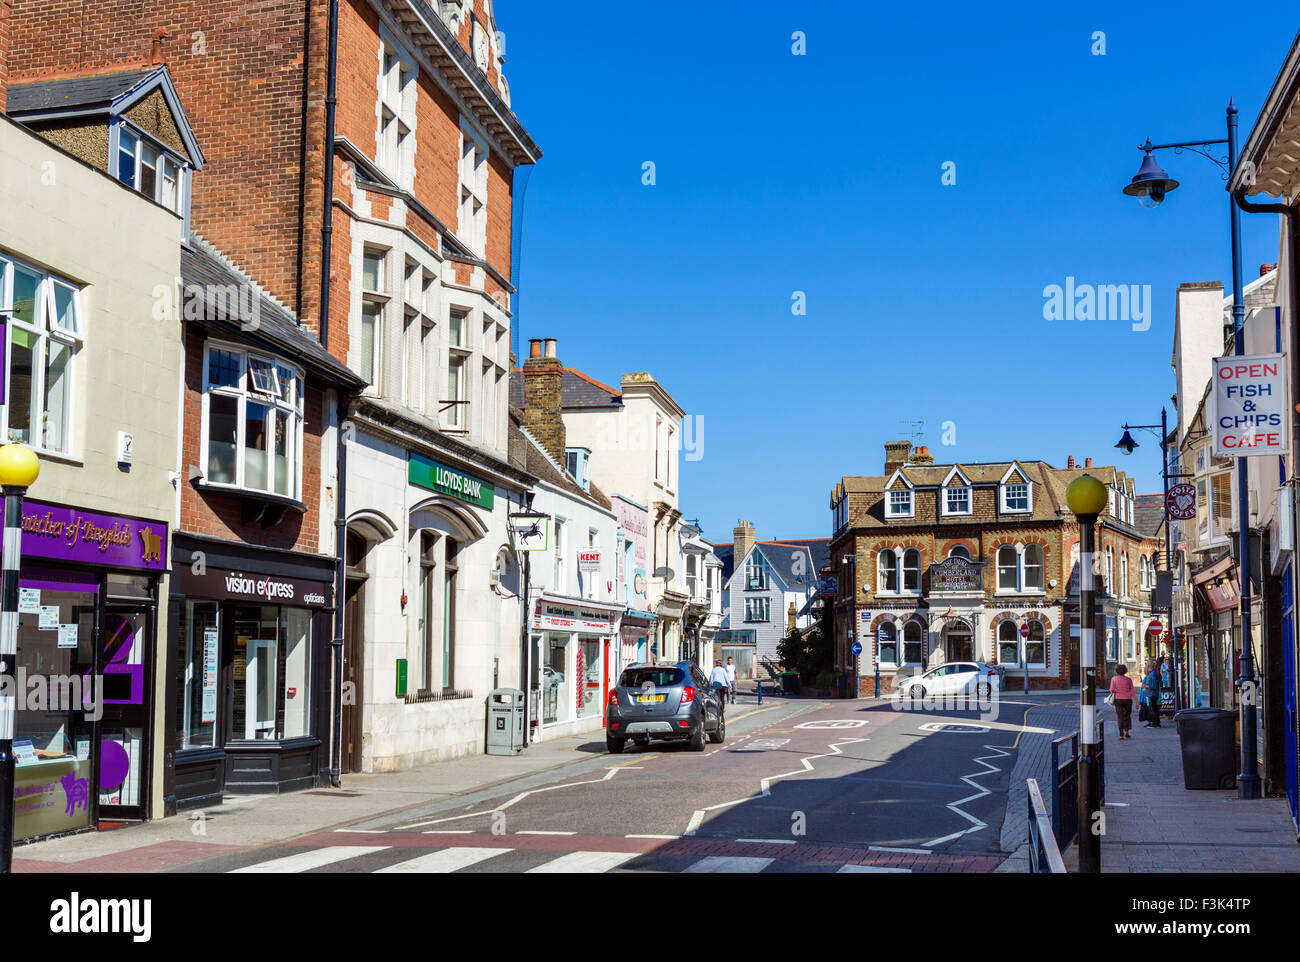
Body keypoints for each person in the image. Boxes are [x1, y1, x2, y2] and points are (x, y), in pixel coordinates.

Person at [1109, 664, 1136, 739]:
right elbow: (1132, 691)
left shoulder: (1114, 679)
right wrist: (1137, 702)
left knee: (1120, 717)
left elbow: (1111, 690)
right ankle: (1127, 732)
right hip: (1128, 700)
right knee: (1127, 716)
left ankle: (1121, 735)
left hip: (1118, 700)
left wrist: (1117, 690)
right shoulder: (1129, 680)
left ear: (1117, 671)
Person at [1141, 659, 1162, 728]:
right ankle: (1157, 723)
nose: (1146, 667)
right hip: (1151, 693)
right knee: (1154, 709)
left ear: (1149, 666)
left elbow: (1154, 686)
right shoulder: (1153, 673)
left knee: (1153, 710)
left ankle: (1155, 723)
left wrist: (1146, 686)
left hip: (1152, 694)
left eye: (1147, 665)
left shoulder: (1153, 674)